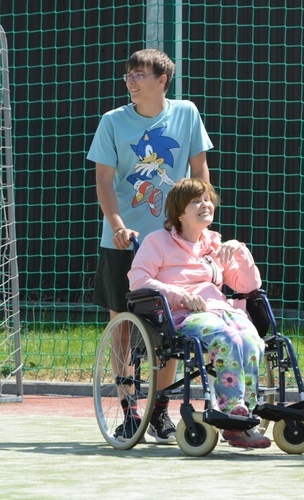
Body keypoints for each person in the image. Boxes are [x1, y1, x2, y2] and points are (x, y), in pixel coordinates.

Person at [88, 49, 213, 443]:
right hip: (123, 242)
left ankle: (158, 413)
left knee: (172, 325)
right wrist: (118, 225)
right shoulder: (112, 122)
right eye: (128, 75)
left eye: (139, 75)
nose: (130, 81)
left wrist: (200, 225)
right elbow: (105, 181)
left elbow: (199, 171)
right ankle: (129, 412)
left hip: (171, 241)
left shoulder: (187, 113)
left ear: (162, 80)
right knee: (122, 329)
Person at [128, 178, 271, 449]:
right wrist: (178, 295)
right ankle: (232, 415)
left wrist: (241, 252)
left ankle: (245, 415)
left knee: (252, 338)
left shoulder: (215, 244)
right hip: (181, 315)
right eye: (197, 201)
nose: (205, 204)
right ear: (179, 212)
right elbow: (138, 279)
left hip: (222, 310)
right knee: (226, 337)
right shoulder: (157, 242)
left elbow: (249, 287)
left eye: (207, 199)